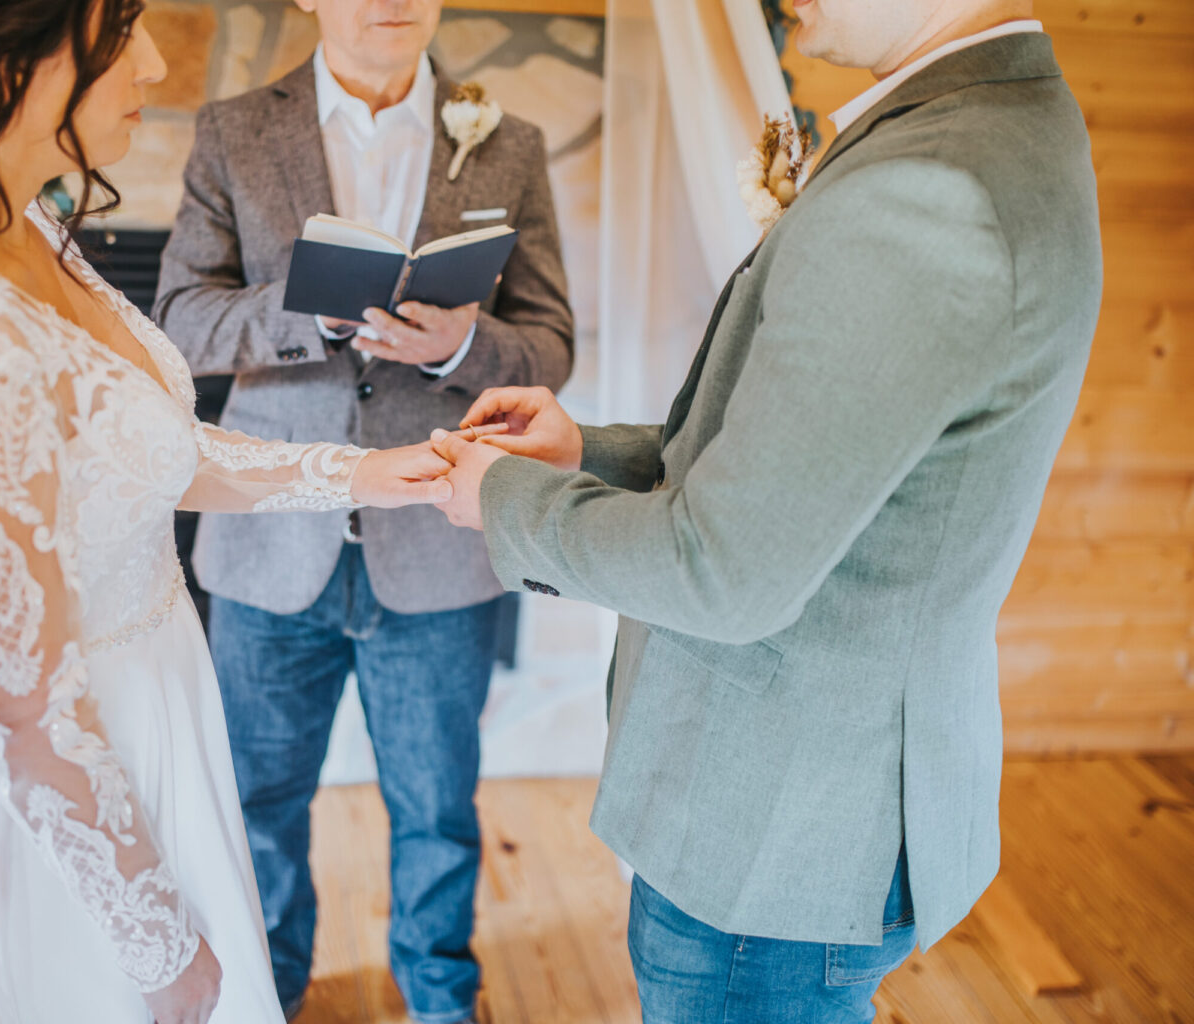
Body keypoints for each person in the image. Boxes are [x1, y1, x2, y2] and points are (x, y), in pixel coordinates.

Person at [0, 2, 472, 1022]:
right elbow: (21, 707)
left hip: (149, 713)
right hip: (46, 809)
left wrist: (364, 475)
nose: (156, 64)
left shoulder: (18, 218)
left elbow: (148, 451)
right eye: (118, 36)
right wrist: (158, 947)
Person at [427, 0, 1101, 1020]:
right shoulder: (1005, 123)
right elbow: (809, 470)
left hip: (778, 839)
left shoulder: (929, 190)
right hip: (826, 806)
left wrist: (507, 501)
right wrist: (582, 452)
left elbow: (724, 569)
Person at [153, 0, 573, 1019]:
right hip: (266, 545)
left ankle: (440, 996)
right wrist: (306, 309)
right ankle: (268, 989)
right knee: (258, 803)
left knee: (437, 810)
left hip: (440, 536)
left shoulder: (506, 141)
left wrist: (461, 349)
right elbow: (177, 322)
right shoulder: (234, 131)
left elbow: (552, 342)